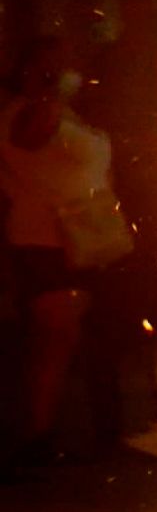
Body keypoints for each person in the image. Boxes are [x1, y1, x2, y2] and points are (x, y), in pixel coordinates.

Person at [0, 36, 115, 459]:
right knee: (54, 340)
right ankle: (37, 438)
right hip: (47, 242)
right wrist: (51, 94)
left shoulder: (61, 114)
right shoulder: (26, 117)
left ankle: (43, 431)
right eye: (53, 66)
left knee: (59, 341)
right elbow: (32, 138)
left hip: (77, 240)